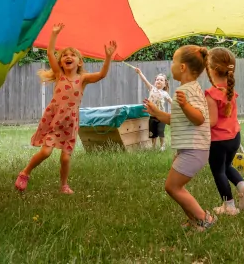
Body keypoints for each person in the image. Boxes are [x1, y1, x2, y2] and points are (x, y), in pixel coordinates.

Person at [15, 23, 117, 194]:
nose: (68, 57)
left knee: (65, 157)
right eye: (65, 56)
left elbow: (102, 75)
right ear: (61, 62)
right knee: (46, 152)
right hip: (55, 119)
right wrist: (54, 34)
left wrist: (108, 57)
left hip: (70, 122)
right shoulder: (59, 74)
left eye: (72, 55)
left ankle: (64, 185)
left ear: (79, 62)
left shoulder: (83, 78)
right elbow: (49, 52)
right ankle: (25, 173)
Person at [144, 45, 217, 231]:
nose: (171, 66)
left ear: (182, 67)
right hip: (189, 148)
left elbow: (199, 118)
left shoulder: (189, 91)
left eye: (174, 62)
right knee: (173, 187)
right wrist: (157, 112)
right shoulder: (186, 89)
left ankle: (204, 218)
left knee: (173, 187)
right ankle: (194, 219)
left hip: (195, 149)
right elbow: (175, 120)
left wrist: (185, 106)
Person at [204, 47, 244, 215]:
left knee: (218, 171)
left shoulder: (211, 93)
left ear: (211, 69)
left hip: (218, 141)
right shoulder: (231, 90)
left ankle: (229, 206)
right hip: (234, 137)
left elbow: (211, 121)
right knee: (226, 166)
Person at [134, 67, 172, 150]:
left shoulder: (165, 93)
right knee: (153, 133)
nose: (159, 81)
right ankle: (154, 147)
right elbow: (145, 80)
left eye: (161, 80)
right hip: (152, 115)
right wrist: (140, 73)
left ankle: (162, 146)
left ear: (165, 84)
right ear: (155, 82)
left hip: (161, 116)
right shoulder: (151, 89)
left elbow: (171, 102)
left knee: (160, 131)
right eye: (157, 79)